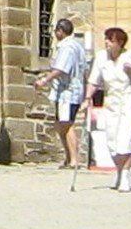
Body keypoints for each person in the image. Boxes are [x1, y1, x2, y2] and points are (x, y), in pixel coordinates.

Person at [86, 26, 131, 192]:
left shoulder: (130, 56)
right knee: (112, 141)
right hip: (111, 101)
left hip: (129, 99)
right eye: (106, 39)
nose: (107, 43)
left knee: (126, 139)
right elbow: (93, 81)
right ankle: (120, 171)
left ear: (120, 43)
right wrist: (87, 98)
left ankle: (126, 174)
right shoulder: (101, 58)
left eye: (110, 40)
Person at [33, 17, 90, 169]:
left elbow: (60, 69)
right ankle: (68, 157)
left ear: (60, 31)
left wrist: (44, 80)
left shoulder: (67, 47)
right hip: (69, 91)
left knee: (66, 124)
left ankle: (74, 159)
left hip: (68, 92)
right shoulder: (77, 46)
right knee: (60, 125)